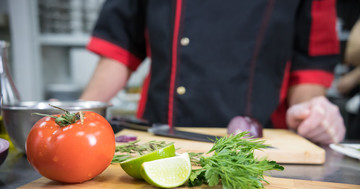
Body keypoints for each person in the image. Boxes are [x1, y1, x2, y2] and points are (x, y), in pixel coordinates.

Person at [80, 0, 345, 144]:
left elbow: (310, 64)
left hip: (260, 145)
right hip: (159, 136)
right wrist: (77, 116)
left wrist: (312, 113)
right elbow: (120, 47)